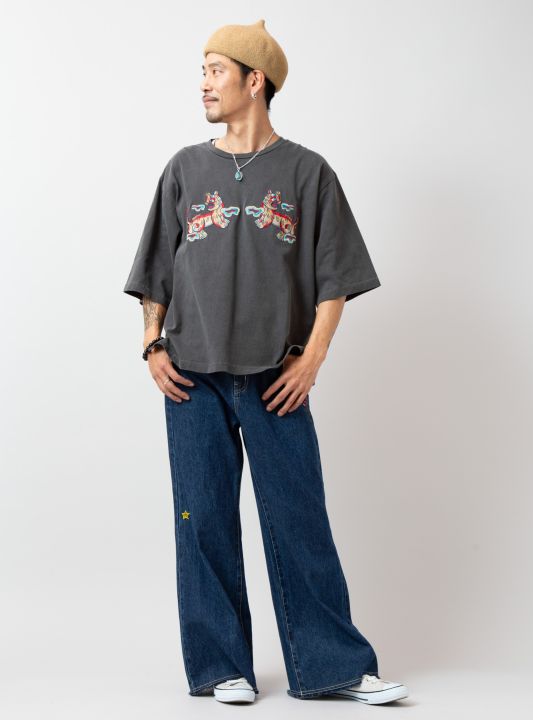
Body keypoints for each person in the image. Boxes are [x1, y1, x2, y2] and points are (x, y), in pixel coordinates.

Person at [123, 18, 409, 706]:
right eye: (202, 71)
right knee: (202, 521)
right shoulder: (184, 169)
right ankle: (221, 666)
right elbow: (155, 270)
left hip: (277, 377)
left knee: (298, 519)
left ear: (255, 81)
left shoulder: (308, 172)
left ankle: (334, 668)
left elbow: (336, 278)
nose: (203, 84)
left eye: (216, 70)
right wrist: (152, 344)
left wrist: (311, 361)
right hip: (192, 378)